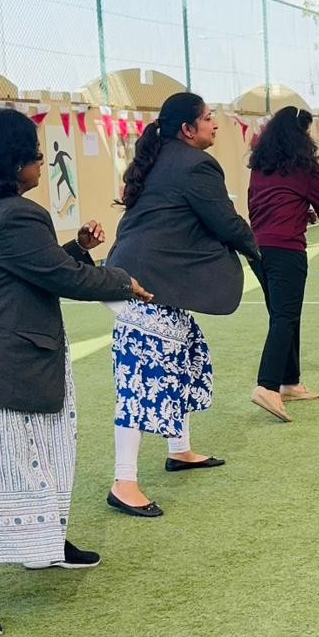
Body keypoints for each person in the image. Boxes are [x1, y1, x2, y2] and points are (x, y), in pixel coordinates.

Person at [0, 108, 152, 637]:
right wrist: (122, 281)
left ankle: (44, 545)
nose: (42, 162)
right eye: (35, 154)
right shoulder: (16, 215)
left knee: (44, 459)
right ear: (9, 161)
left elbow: (34, 266)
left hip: (8, 365)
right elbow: (61, 278)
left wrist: (77, 249)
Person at [105, 92, 260, 518]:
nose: (215, 123)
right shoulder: (196, 165)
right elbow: (225, 222)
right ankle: (123, 483)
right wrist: (260, 254)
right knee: (141, 380)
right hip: (140, 285)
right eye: (208, 118)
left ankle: (180, 450)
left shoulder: (163, 158)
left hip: (145, 278)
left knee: (187, 356)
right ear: (188, 130)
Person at [247, 106, 319, 422]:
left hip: (258, 248)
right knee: (285, 316)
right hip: (286, 249)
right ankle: (267, 386)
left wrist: (297, 212)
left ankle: (290, 382)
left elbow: (256, 205)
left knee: (284, 314)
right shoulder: (305, 167)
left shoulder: (260, 166)